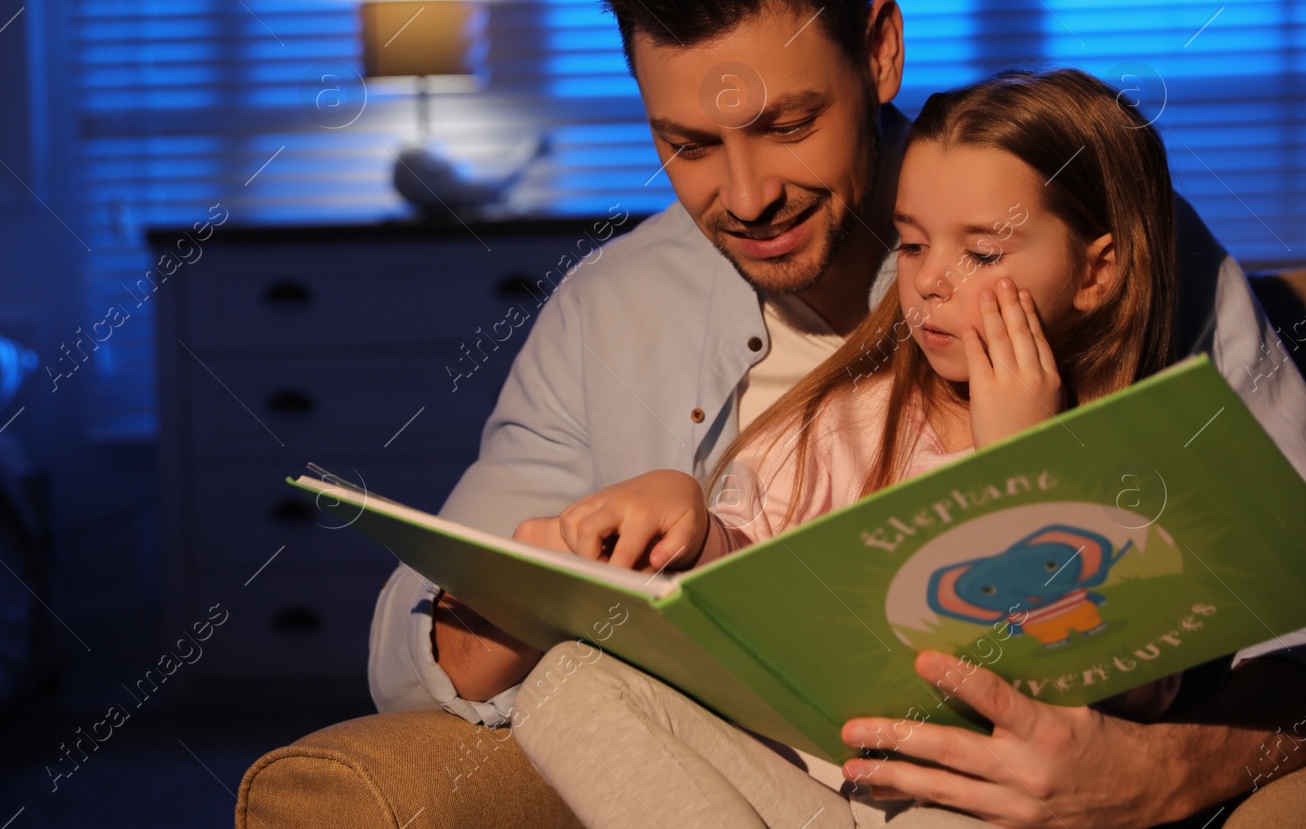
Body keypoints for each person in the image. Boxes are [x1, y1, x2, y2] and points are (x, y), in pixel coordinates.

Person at [366, 0, 1306, 826]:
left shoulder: (1089, 242)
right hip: (794, 781)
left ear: (878, 51)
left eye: (788, 124)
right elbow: (409, 656)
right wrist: (564, 574)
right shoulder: (609, 305)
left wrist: (1155, 770)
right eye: (689, 145)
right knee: (567, 675)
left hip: (1003, 771)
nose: (745, 198)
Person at [506, 68, 1190, 828]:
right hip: (821, 798)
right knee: (566, 678)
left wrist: (1024, 473)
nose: (931, 282)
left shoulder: (1143, 460)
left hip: (979, 804)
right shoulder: (851, 422)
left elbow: (1137, 697)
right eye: (912, 243)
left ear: (1096, 271)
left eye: (984, 254)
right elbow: (757, 594)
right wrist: (697, 534)